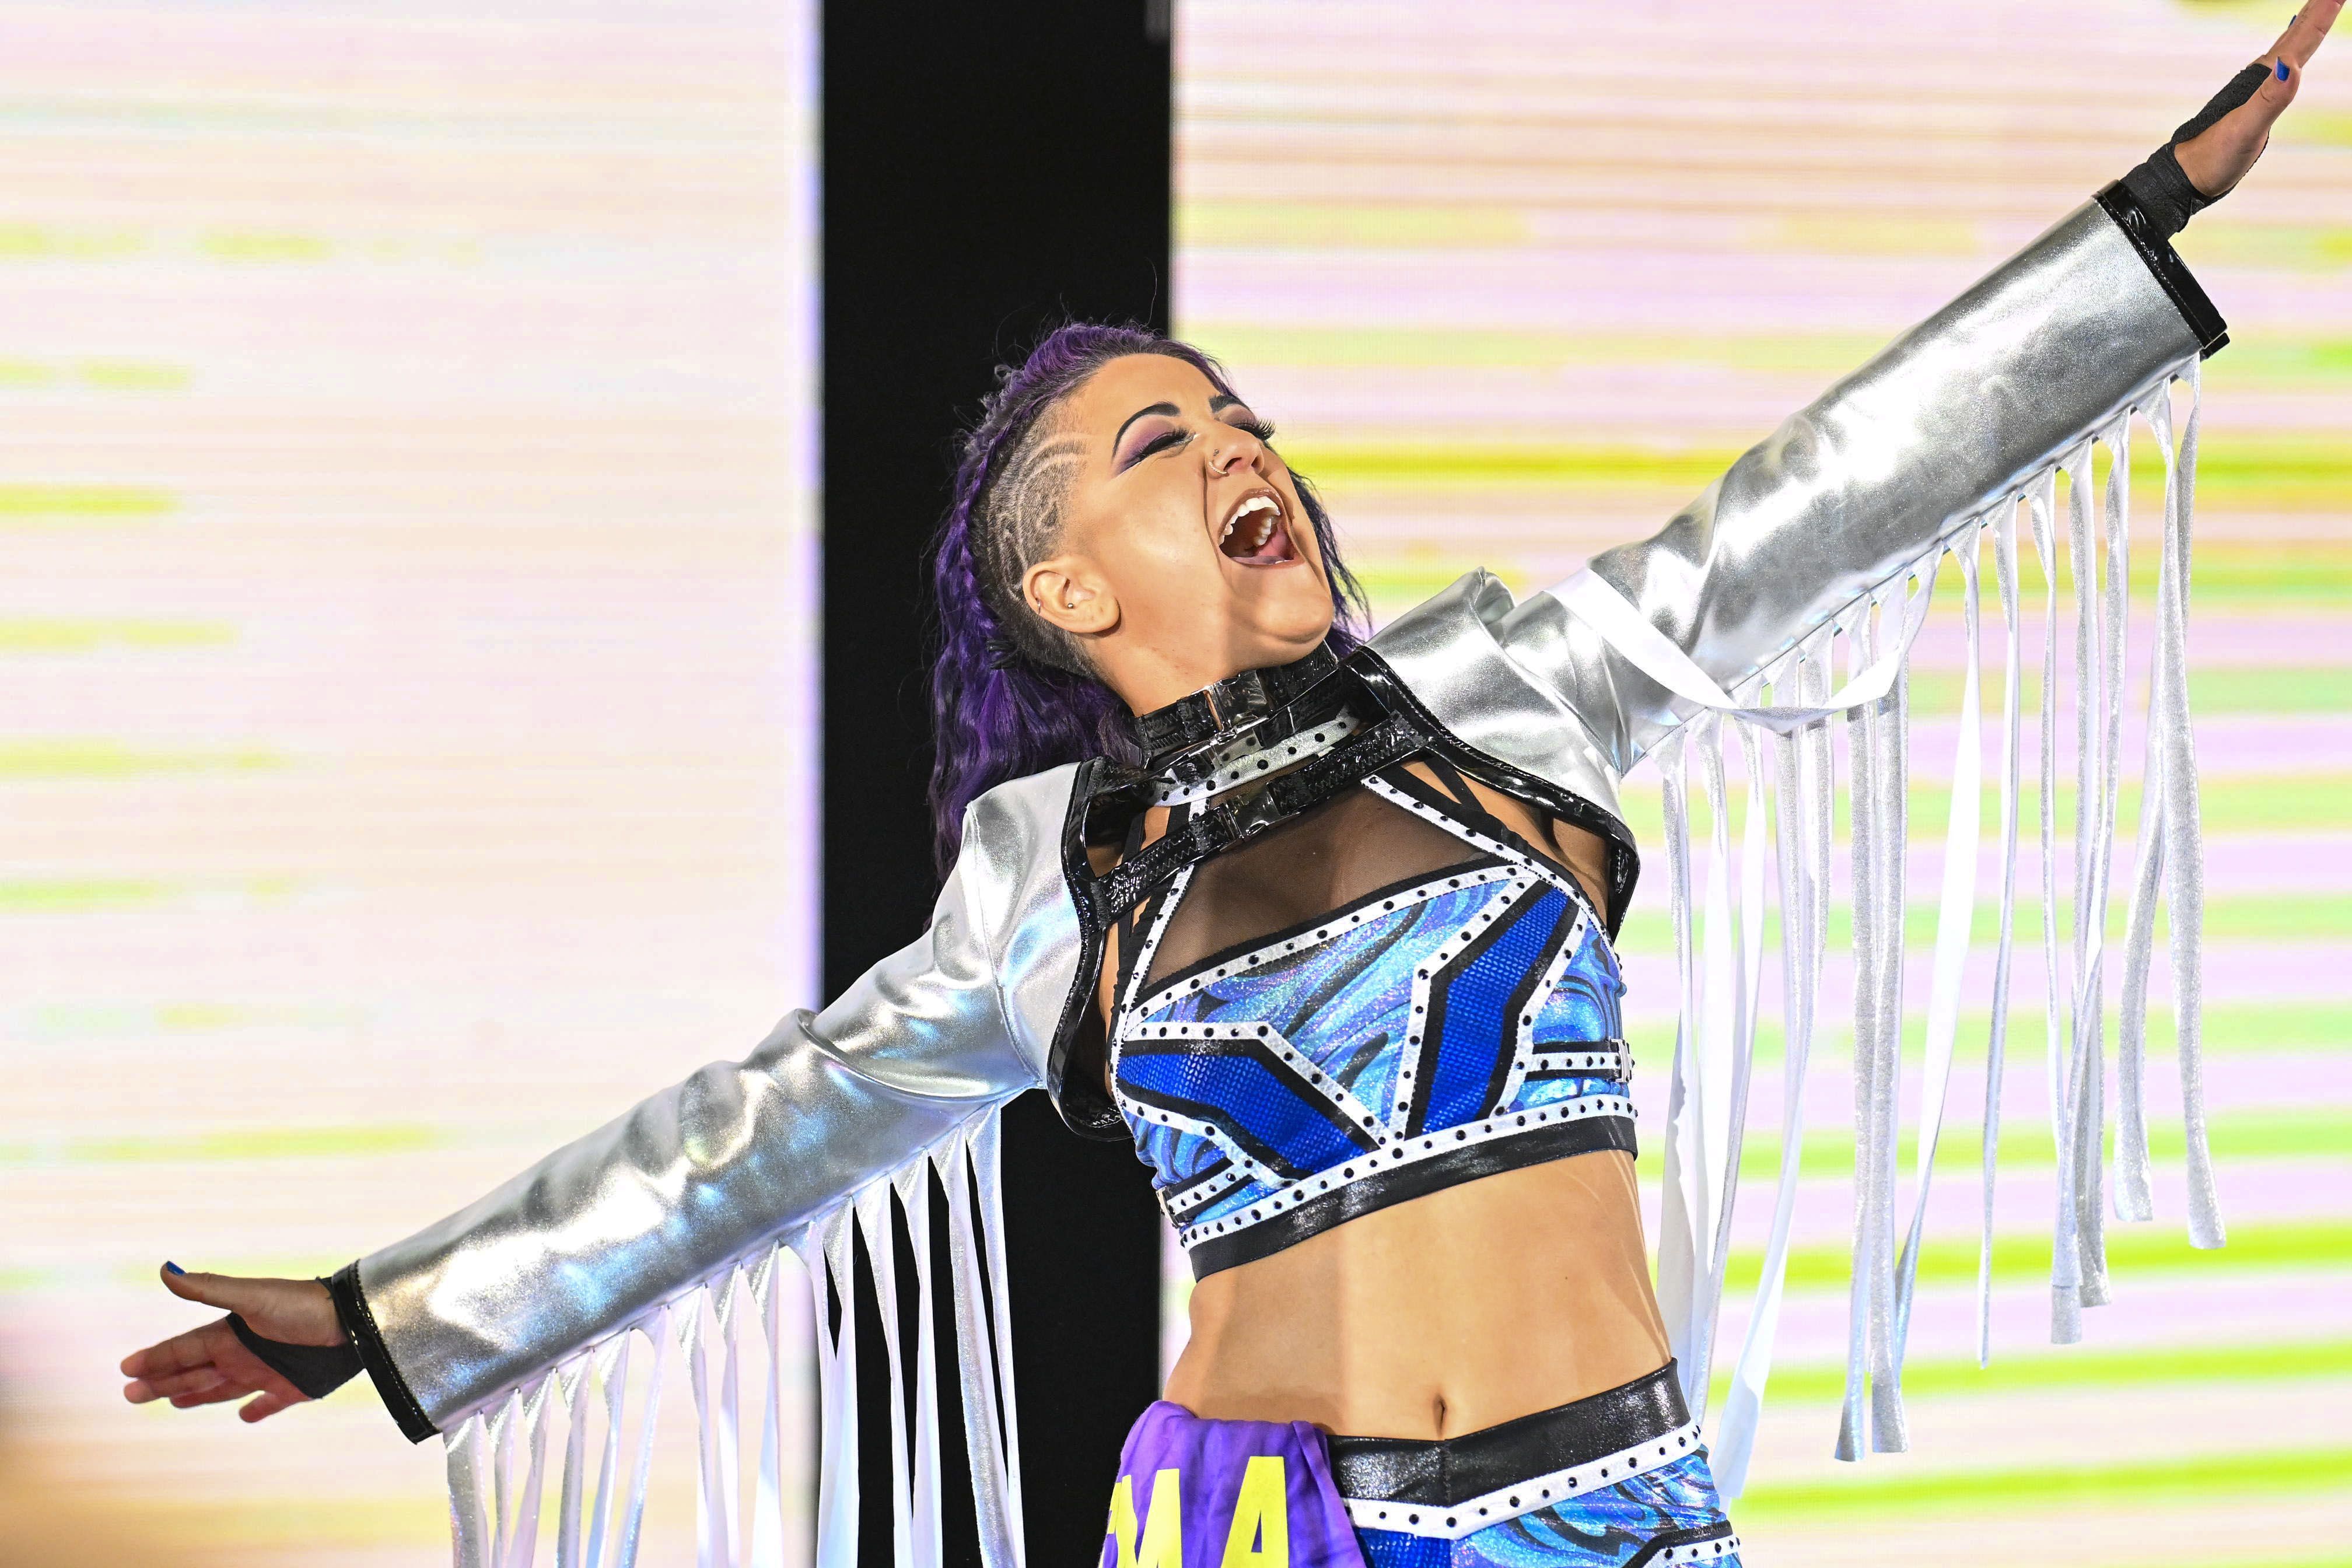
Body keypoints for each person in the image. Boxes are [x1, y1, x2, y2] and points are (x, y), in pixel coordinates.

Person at [118, 13, 2339, 1567]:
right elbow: (751, 1141)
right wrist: (390, 1316)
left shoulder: (1506, 695)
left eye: (1241, 417)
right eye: (1160, 444)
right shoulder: (1046, 883)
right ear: (1069, 586)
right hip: (1254, 1530)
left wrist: (2141, 225)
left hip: (1609, 1516)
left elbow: (1806, 507)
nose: (1239, 450)